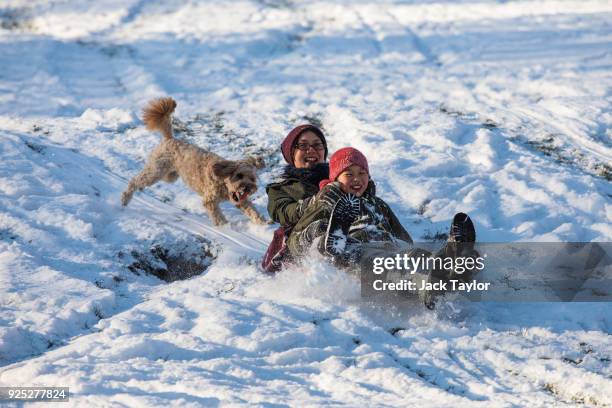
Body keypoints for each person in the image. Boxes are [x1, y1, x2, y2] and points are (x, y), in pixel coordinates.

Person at [286, 147, 477, 307]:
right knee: (378, 263)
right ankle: (427, 282)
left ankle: (452, 264)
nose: (356, 179)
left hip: (387, 248)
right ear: (335, 178)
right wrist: (316, 233)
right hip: (356, 254)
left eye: (362, 173)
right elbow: (297, 237)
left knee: (413, 256)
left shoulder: (378, 204)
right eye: (348, 174)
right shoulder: (326, 200)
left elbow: (402, 237)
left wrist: (407, 249)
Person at [261, 124, 330, 272]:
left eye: (317, 145)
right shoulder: (280, 188)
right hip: (299, 244)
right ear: (292, 154)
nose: (311, 150)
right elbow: (282, 211)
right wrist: (310, 204)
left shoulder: (339, 181)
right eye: (303, 145)